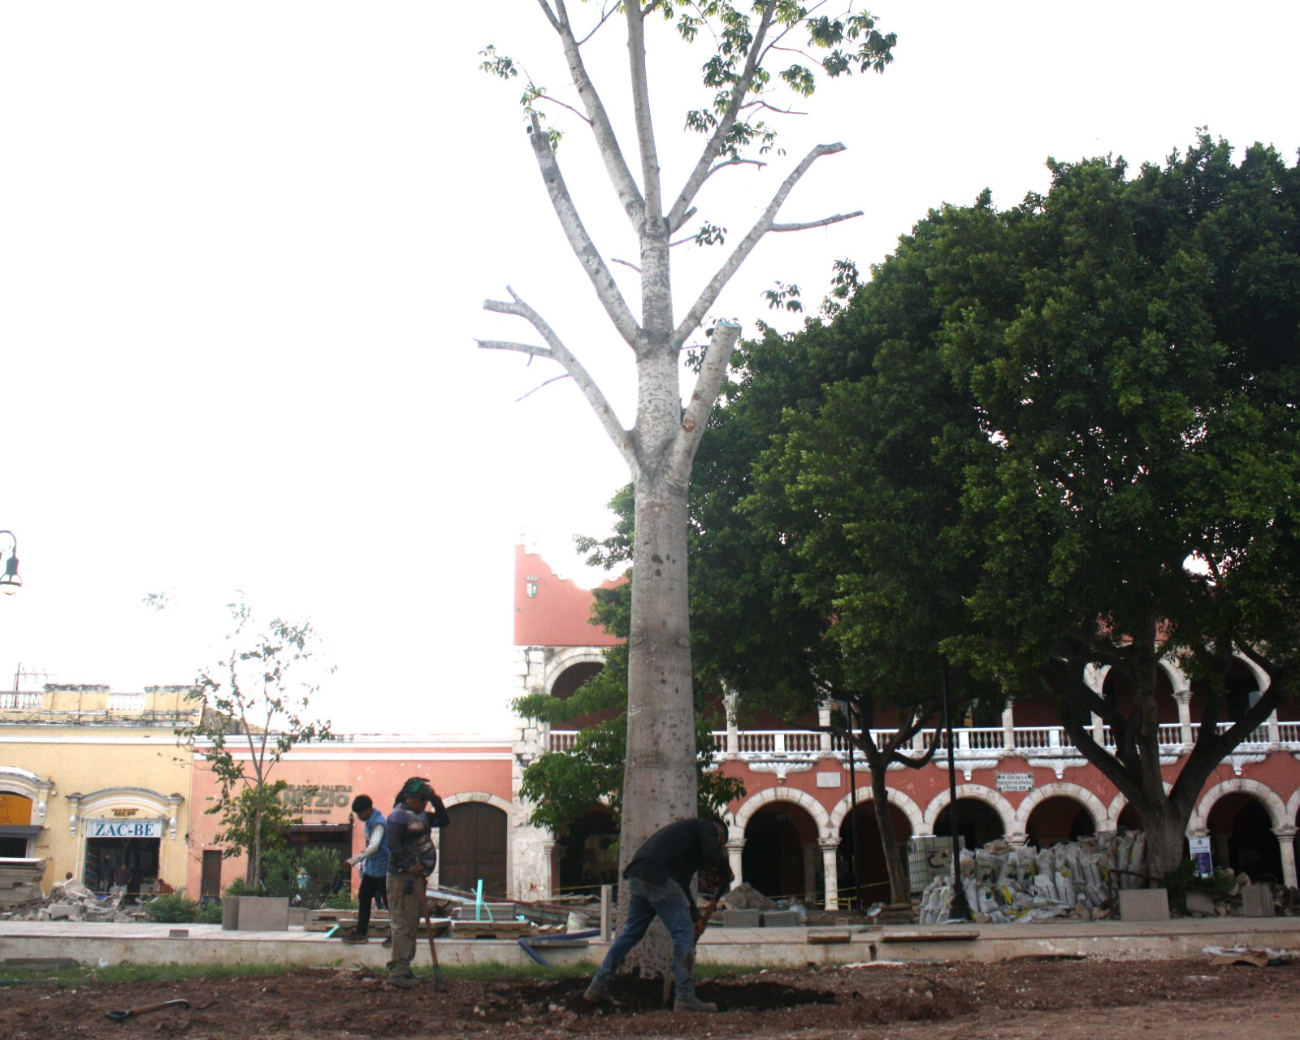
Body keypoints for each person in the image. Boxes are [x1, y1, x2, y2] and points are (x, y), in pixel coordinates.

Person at [584, 817, 733, 1014]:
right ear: (719, 835)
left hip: (640, 876)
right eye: (720, 842)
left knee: (631, 933)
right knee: (683, 934)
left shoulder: (684, 847)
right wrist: (727, 870)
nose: (718, 845)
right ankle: (686, 998)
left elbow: (682, 887)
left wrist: (695, 917)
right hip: (659, 877)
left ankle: (598, 986)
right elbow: (713, 854)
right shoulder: (708, 826)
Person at [384, 777, 450, 989]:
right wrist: (409, 864)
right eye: (421, 800)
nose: (424, 805)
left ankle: (404, 967)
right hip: (402, 877)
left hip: (416, 877)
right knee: (403, 923)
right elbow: (392, 843)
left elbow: (443, 820)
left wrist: (436, 801)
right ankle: (398, 972)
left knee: (411, 923)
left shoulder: (420, 814)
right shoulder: (397, 816)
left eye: (425, 801)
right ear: (408, 797)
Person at [342, 794, 390, 945]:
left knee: (390, 903)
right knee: (364, 897)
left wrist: (352, 861)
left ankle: (397, 935)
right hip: (372, 869)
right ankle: (361, 932)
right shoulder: (369, 822)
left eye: (361, 813)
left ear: (368, 810)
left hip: (384, 869)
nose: (359, 817)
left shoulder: (379, 823)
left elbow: (373, 847)